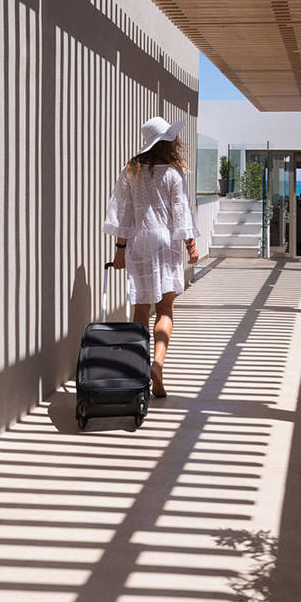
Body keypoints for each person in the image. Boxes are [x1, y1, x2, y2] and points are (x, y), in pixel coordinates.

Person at [102, 116, 199, 397]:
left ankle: (137, 366)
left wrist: (120, 250)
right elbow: (181, 214)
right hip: (165, 240)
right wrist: (191, 245)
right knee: (165, 309)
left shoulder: (130, 170)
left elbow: (124, 215)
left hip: (138, 242)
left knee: (140, 308)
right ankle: (157, 363)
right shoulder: (172, 173)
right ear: (167, 141)